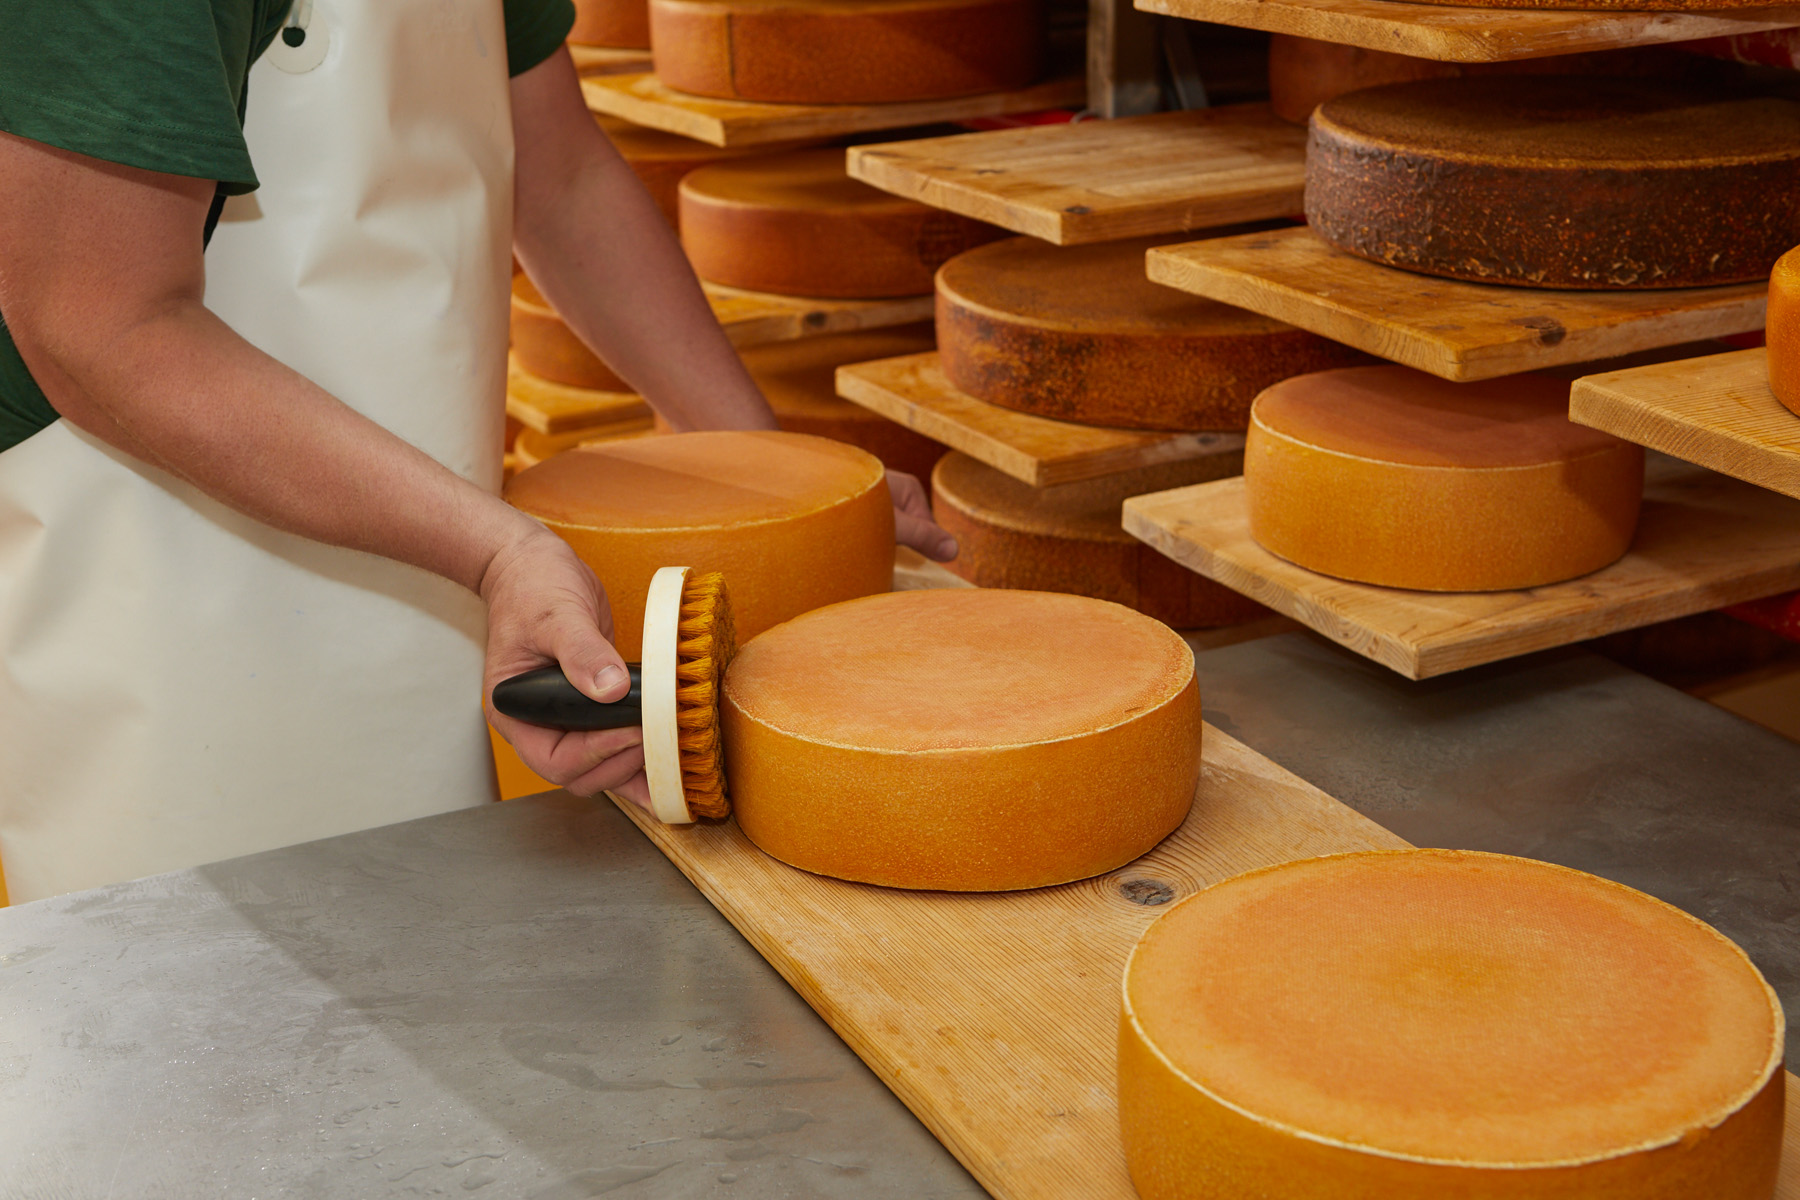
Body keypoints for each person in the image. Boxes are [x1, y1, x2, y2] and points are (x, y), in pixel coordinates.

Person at [0, 0, 957, 904]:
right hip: (165, 617)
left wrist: (774, 480)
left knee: (430, 942)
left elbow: (560, 173)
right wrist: (497, 550)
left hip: (427, 555)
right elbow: (103, 329)